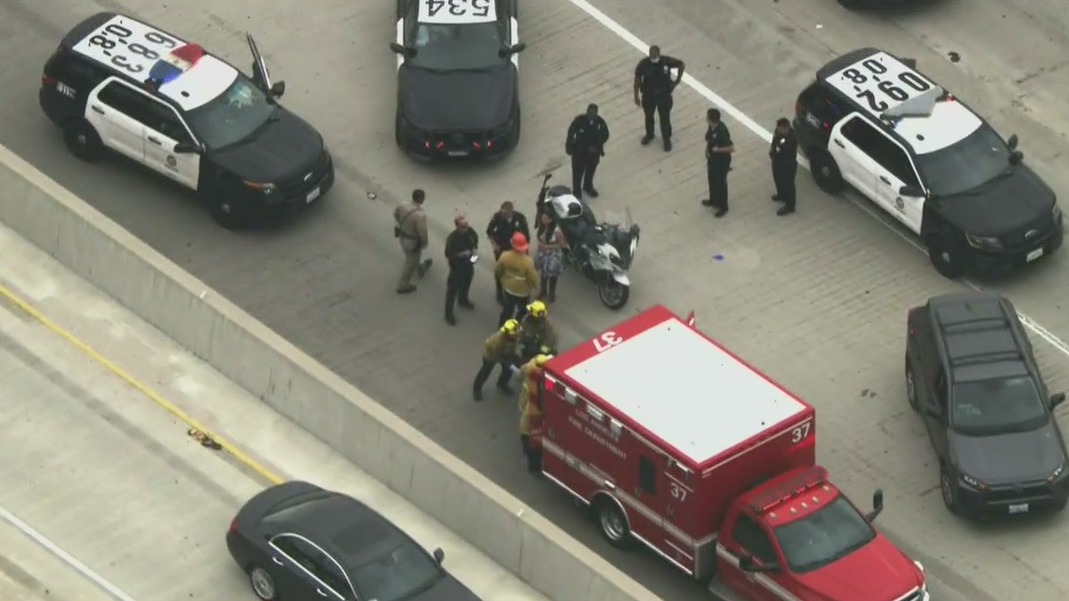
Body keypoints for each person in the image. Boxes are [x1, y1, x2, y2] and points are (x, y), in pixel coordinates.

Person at [633, 45, 685, 152]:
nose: (653, 57)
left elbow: (681, 64)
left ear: (659, 54)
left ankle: (666, 139)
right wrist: (636, 95)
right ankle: (649, 134)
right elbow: (637, 80)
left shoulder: (666, 62)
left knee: (665, 118)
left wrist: (677, 80)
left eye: (655, 55)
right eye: (651, 55)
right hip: (649, 95)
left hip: (664, 95)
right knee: (648, 116)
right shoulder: (644, 64)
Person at [486, 201, 530, 304]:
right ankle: (499, 291)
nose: (503, 215)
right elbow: (489, 232)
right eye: (502, 213)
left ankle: (516, 291)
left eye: (506, 213)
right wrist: (494, 244)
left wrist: (524, 251)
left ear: (511, 211)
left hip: (516, 250)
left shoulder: (520, 218)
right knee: (500, 271)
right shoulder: (497, 218)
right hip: (501, 249)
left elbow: (526, 236)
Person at [565, 103, 611, 199]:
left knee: (590, 171)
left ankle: (588, 186)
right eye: (590, 112)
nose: (592, 115)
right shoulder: (579, 121)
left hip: (593, 154)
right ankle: (577, 192)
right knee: (577, 174)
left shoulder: (599, 122)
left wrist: (598, 144)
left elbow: (606, 134)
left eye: (594, 113)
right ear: (587, 112)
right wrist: (570, 146)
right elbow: (571, 132)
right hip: (579, 153)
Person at [518, 353, 553, 474]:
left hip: (526, 405)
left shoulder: (531, 365)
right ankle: (533, 467)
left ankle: (530, 458)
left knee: (528, 444)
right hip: (529, 425)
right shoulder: (537, 377)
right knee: (531, 448)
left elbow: (521, 372)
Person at [494, 232, 539, 326]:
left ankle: (503, 327)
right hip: (522, 291)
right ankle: (517, 326)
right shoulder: (528, 261)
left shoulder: (505, 256)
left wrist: (501, 280)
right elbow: (532, 278)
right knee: (522, 310)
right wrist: (535, 286)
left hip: (508, 287)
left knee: (507, 309)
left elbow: (498, 270)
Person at [472, 318, 523, 401]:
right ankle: (477, 389)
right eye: (515, 332)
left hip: (507, 352)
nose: (518, 333)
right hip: (491, 355)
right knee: (485, 372)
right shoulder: (498, 340)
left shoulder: (514, 334)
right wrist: (505, 361)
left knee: (508, 370)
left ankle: (502, 384)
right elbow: (496, 353)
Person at [393, 189, 432, 294]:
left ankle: (418, 266)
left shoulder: (403, 205)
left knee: (409, 256)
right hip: (412, 241)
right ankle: (403, 285)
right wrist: (424, 243)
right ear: (422, 199)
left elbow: (396, 214)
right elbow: (422, 232)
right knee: (410, 263)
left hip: (402, 236)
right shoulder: (420, 215)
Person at [443, 214, 478, 325]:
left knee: (467, 283)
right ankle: (448, 314)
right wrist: (461, 254)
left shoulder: (471, 232)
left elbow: (475, 244)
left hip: (468, 266)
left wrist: (474, 259)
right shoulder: (452, 238)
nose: (466, 228)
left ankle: (463, 299)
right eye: (463, 226)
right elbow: (448, 254)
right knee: (452, 291)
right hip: (456, 268)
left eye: (466, 225)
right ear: (457, 226)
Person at [700, 109, 735, 218]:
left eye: (707, 117)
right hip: (712, 160)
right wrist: (707, 149)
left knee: (720, 183)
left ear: (711, 120)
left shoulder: (722, 131)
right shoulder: (711, 127)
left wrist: (717, 150)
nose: (706, 119)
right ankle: (713, 200)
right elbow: (709, 140)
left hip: (721, 161)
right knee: (712, 179)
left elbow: (731, 148)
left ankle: (723, 206)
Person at [769, 117, 799, 216]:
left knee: (788, 184)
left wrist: (776, 148)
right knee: (778, 179)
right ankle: (781, 195)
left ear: (785, 128)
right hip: (777, 162)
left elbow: (784, 151)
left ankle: (790, 206)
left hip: (787, 164)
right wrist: (772, 150)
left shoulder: (791, 138)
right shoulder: (778, 133)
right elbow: (774, 141)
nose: (777, 130)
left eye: (780, 129)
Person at [534, 209, 566, 302]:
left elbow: (561, 244)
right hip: (543, 254)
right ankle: (543, 291)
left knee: (552, 277)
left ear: (551, 219)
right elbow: (538, 237)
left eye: (545, 218)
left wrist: (548, 246)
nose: (543, 220)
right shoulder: (542, 227)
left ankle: (552, 295)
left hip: (553, 256)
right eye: (542, 218)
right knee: (543, 276)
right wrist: (539, 244)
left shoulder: (557, 231)